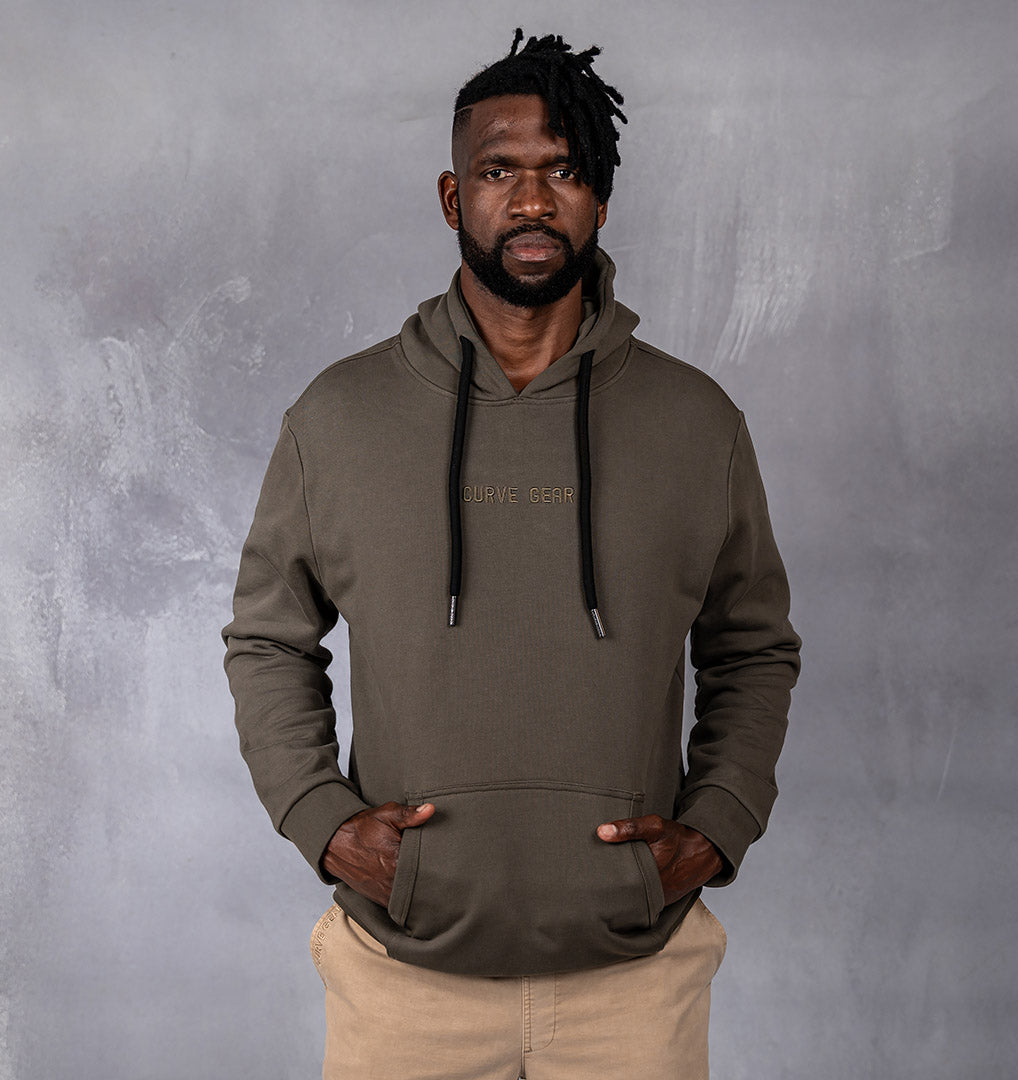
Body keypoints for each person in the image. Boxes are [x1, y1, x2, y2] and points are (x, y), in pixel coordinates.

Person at [223, 28, 800, 1080]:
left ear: (600, 199)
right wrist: (322, 819)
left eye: (563, 171)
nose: (532, 201)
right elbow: (268, 639)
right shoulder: (340, 417)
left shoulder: (696, 422)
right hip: (403, 981)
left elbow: (753, 648)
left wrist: (716, 826)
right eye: (499, 172)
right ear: (454, 198)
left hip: (636, 982)